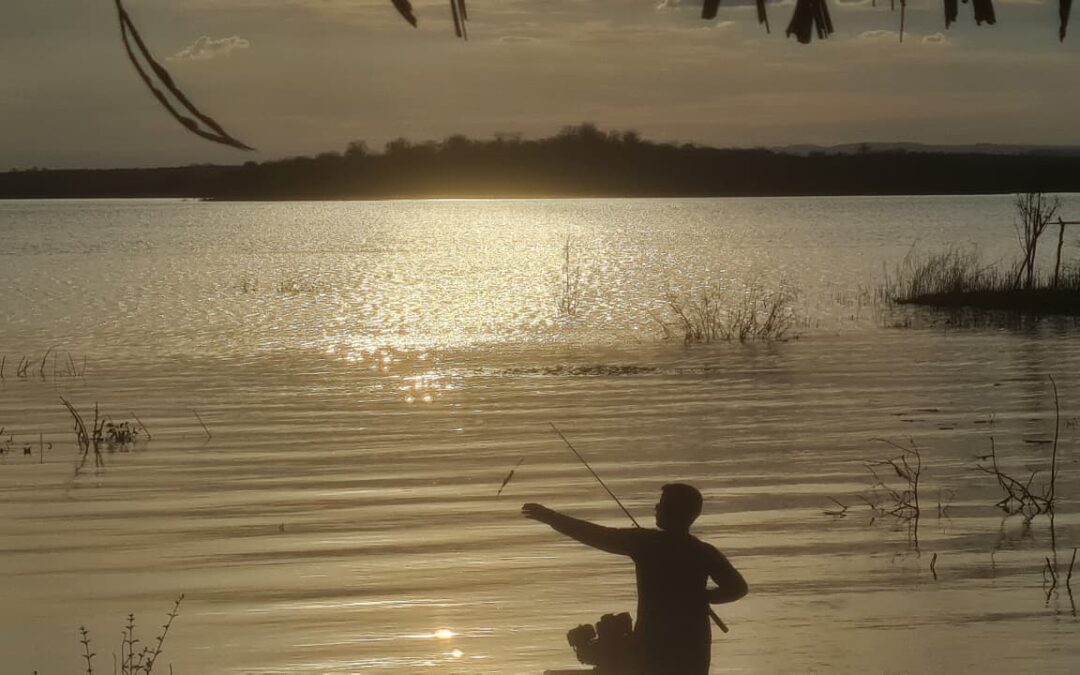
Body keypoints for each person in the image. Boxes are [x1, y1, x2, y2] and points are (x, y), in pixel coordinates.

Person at [523, 483, 747, 675]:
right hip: (694, 649)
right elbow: (737, 588)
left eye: (663, 503)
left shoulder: (646, 543)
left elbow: (594, 535)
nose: (657, 507)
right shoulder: (703, 551)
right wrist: (701, 597)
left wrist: (549, 517)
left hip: (652, 648)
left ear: (674, 511)